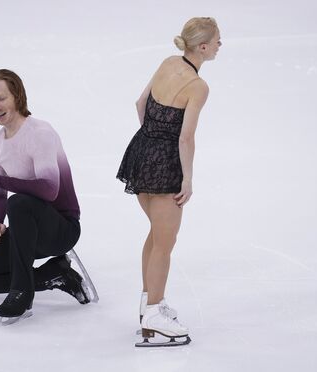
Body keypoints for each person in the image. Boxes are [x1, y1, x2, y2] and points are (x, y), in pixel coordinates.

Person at [0, 69, 90, 323]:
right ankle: (53, 275)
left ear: (16, 95)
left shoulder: (40, 133)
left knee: (19, 202)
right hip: (23, 231)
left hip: (60, 229)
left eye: (1, 98)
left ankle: (22, 293)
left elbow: (50, 189)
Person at [117, 17, 221, 346]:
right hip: (164, 168)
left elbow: (140, 103)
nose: (220, 45)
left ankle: (149, 306)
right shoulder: (197, 86)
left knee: (156, 236)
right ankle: (153, 316)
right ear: (202, 47)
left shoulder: (168, 62)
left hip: (139, 154)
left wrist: (151, 141)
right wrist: (187, 178)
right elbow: (186, 138)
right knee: (165, 242)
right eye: (217, 40)